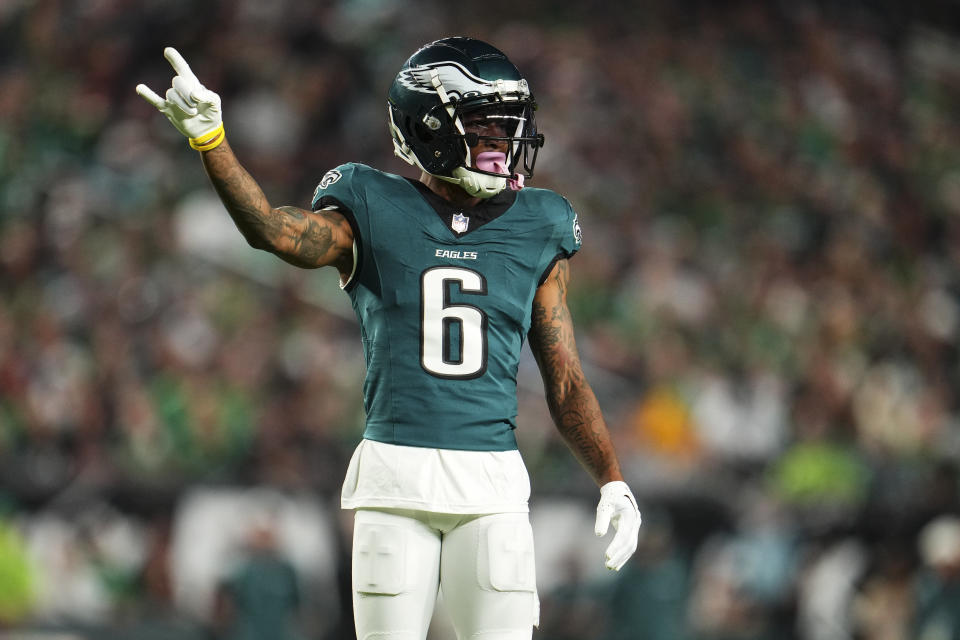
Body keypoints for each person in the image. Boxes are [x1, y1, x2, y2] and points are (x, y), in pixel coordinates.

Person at [136, 37, 641, 640]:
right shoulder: (372, 202)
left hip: (492, 483)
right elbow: (273, 231)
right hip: (395, 479)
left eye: (507, 130)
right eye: (483, 129)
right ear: (430, 128)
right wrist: (211, 142)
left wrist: (612, 478)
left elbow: (564, 375)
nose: (502, 145)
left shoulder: (541, 222)